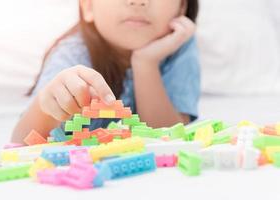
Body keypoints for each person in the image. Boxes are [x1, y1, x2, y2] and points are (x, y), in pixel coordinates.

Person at [11, 0, 200, 143]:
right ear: (88, 7)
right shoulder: (72, 54)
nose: (137, 1)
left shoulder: (179, 47)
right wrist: (49, 105)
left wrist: (145, 63)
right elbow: (21, 141)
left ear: (182, 7)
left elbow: (168, 139)